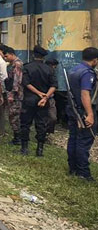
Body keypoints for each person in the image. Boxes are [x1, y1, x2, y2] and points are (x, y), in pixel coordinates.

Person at [66, 47, 98, 181]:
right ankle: (83, 172)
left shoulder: (74, 69)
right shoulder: (87, 73)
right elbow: (85, 94)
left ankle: (73, 168)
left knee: (73, 138)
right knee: (84, 141)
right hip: (84, 111)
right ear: (95, 60)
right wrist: (90, 114)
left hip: (73, 110)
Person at [20, 45, 57, 156]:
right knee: (41, 124)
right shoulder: (49, 69)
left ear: (33, 55)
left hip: (29, 100)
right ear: (43, 57)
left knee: (25, 124)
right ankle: (39, 150)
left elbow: (26, 83)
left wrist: (37, 93)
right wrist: (45, 97)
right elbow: (54, 85)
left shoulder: (27, 67)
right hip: (44, 102)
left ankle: (24, 148)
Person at [4, 47, 24, 145]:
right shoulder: (14, 64)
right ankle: (17, 136)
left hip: (16, 95)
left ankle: (18, 138)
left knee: (14, 115)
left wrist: (12, 94)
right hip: (14, 92)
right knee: (13, 115)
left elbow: (17, 80)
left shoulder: (17, 64)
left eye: (6, 56)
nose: (5, 58)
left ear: (11, 54)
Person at [0, 45, 10, 136]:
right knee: (1, 110)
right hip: (0, 87)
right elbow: (4, 77)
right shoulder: (2, 62)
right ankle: (0, 131)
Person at [45, 58, 59, 138]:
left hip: (50, 98)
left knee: (53, 117)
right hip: (43, 96)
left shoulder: (52, 74)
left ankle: (48, 132)